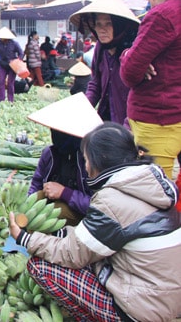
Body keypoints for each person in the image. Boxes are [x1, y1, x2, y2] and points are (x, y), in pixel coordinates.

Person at [10, 121, 181, 322]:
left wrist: (24, 238)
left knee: (40, 267)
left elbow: (71, 254)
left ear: (100, 160)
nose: (86, 165)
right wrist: (61, 234)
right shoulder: (148, 182)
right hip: (168, 298)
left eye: (86, 159)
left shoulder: (112, 200)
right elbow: (96, 238)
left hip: (143, 311)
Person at [120, 0, 181, 183]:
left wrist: (127, 56)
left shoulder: (162, 16)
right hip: (176, 114)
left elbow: (130, 72)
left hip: (156, 119)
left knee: (156, 194)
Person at [27, 93, 102, 225]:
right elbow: (36, 183)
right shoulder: (49, 153)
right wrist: (28, 204)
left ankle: (42, 241)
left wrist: (65, 193)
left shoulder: (91, 162)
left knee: (56, 212)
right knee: (34, 201)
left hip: (80, 213)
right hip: (53, 201)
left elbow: (97, 207)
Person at [69, 0, 139, 127]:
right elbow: (96, 83)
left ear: (119, 26)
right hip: (106, 117)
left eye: (109, 23)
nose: (102, 29)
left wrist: (127, 129)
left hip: (130, 122)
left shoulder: (133, 53)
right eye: (98, 24)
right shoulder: (100, 49)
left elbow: (140, 96)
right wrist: (84, 109)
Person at [0, 27, 24, 102]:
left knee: (10, 83)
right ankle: (2, 99)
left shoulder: (14, 43)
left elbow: (21, 53)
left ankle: (11, 100)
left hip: (12, 66)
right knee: (1, 82)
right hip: (2, 65)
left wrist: (18, 61)